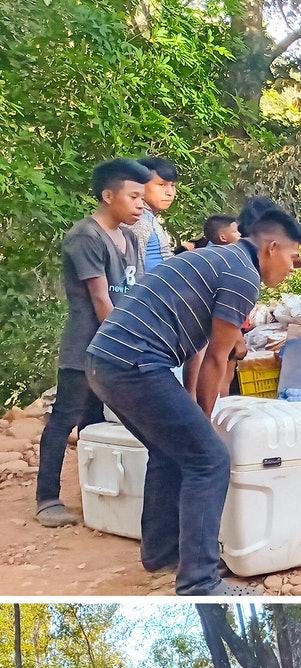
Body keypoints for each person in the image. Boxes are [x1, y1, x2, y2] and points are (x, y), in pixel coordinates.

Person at [86, 200, 301, 595]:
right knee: (208, 460)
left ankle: (162, 553)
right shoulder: (242, 274)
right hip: (135, 363)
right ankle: (199, 582)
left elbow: (198, 350)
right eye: (293, 256)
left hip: (106, 362)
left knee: (172, 452)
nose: (292, 266)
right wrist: (203, 425)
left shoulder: (215, 260)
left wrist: (196, 417)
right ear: (272, 248)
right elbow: (217, 359)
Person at [34, 158, 150, 529]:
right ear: (107, 195)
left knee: (96, 421)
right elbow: (102, 298)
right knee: (65, 417)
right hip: (87, 344)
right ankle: (46, 498)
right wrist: (123, 345)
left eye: (142, 197)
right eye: (133, 196)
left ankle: (96, 492)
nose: (141, 204)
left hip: (116, 341)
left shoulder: (131, 237)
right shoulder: (85, 236)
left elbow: (134, 292)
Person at [132, 156, 180, 270]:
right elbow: (133, 272)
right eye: (161, 185)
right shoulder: (137, 220)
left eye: (172, 185)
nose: (170, 192)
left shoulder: (147, 217)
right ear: (139, 185)